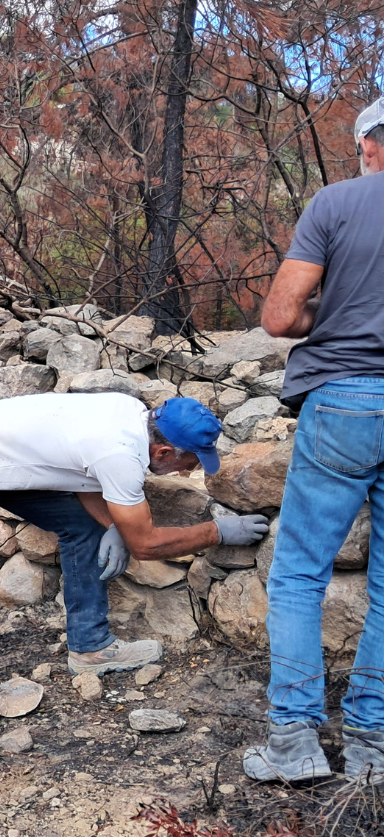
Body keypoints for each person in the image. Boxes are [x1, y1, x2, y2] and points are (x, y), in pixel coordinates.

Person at [0, 393, 270, 749]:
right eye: (190, 462)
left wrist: (111, 527)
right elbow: (145, 543)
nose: (190, 472)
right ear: (162, 451)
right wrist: (217, 531)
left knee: (83, 527)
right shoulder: (120, 453)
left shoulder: (132, 413)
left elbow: (83, 478)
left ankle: (90, 648)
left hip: (1, 461)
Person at [242, 97, 384, 785]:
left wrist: (338, 313)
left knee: (299, 572)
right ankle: (371, 746)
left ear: (368, 146)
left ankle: (294, 739)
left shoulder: (336, 203)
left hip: (346, 400)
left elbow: (277, 316)